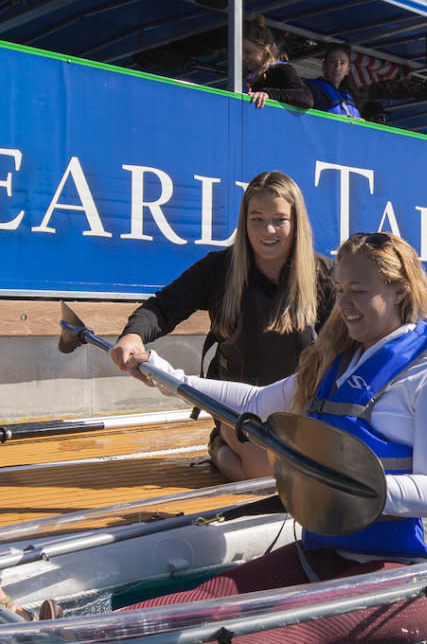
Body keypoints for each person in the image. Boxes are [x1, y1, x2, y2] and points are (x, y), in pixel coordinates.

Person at [0, 231, 427, 644]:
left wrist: (336, 486)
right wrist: (165, 374)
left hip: (411, 583)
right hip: (332, 552)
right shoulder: (337, 360)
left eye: (359, 291)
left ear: (399, 292)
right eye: (342, 289)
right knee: (217, 593)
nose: (345, 304)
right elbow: (252, 401)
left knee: (290, 626)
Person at [112, 171, 334, 480]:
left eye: (279, 219)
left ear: (297, 223)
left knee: (318, 472)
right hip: (236, 408)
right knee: (266, 476)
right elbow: (163, 306)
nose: (267, 230)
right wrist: (133, 335)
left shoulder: (326, 276)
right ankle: (218, 445)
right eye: (256, 219)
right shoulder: (218, 270)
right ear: (244, 223)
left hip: (300, 407)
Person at [241, 15, 313, 110]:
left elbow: (305, 97)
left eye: (248, 52)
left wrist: (268, 94)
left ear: (265, 49)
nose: (243, 57)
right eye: (239, 52)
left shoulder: (280, 70)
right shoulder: (244, 77)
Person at [305, 45, 363, 118]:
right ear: (324, 66)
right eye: (332, 61)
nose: (337, 67)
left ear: (347, 70)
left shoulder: (350, 96)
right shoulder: (311, 88)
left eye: (342, 63)